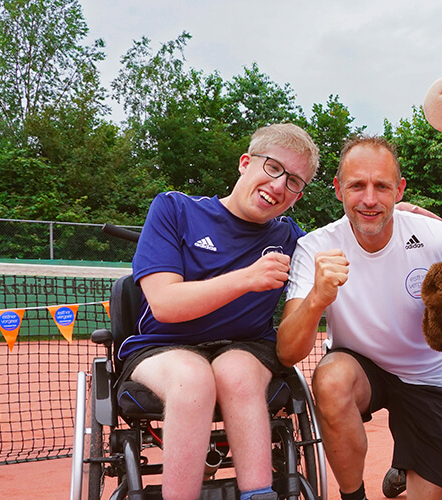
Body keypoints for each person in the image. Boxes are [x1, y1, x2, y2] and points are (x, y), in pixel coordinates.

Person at [119, 123, 319, 500]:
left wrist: (395, 218)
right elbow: (164, 304)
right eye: (273, 167)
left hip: (246, 348)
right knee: (193, 379)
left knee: (235, 373)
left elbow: (350, 243)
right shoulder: (174, 209)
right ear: (245, 163)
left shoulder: (291, 238)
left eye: (294, 181)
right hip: (162, 347)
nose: (279, 185)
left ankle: (259, 494)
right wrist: (247, 278)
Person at [276, 136, 442, 500]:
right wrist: (316, 299)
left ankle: (404, 466)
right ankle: (353, 495)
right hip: (360, 371)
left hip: (427, 377)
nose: (370, 199)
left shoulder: (435, 237)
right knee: (331, 379)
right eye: (357, 185)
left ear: (399, 189)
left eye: (382, 186)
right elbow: (288, 352)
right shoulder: (314, 247)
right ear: (338, 189)